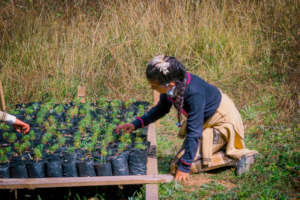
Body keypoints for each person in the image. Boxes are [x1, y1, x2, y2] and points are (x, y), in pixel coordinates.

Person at [116, 55, 258, 183]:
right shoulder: (174, 84)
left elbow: (194, 132)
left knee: (179, 165)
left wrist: (185, 167)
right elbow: (161, 109)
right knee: (181, 161)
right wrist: (135, 124)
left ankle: (237, 157)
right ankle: (217, 150)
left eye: (154, 85)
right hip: (205, 121)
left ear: (169, 85)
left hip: (222, 122)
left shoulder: (193, 93)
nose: (152, 88)